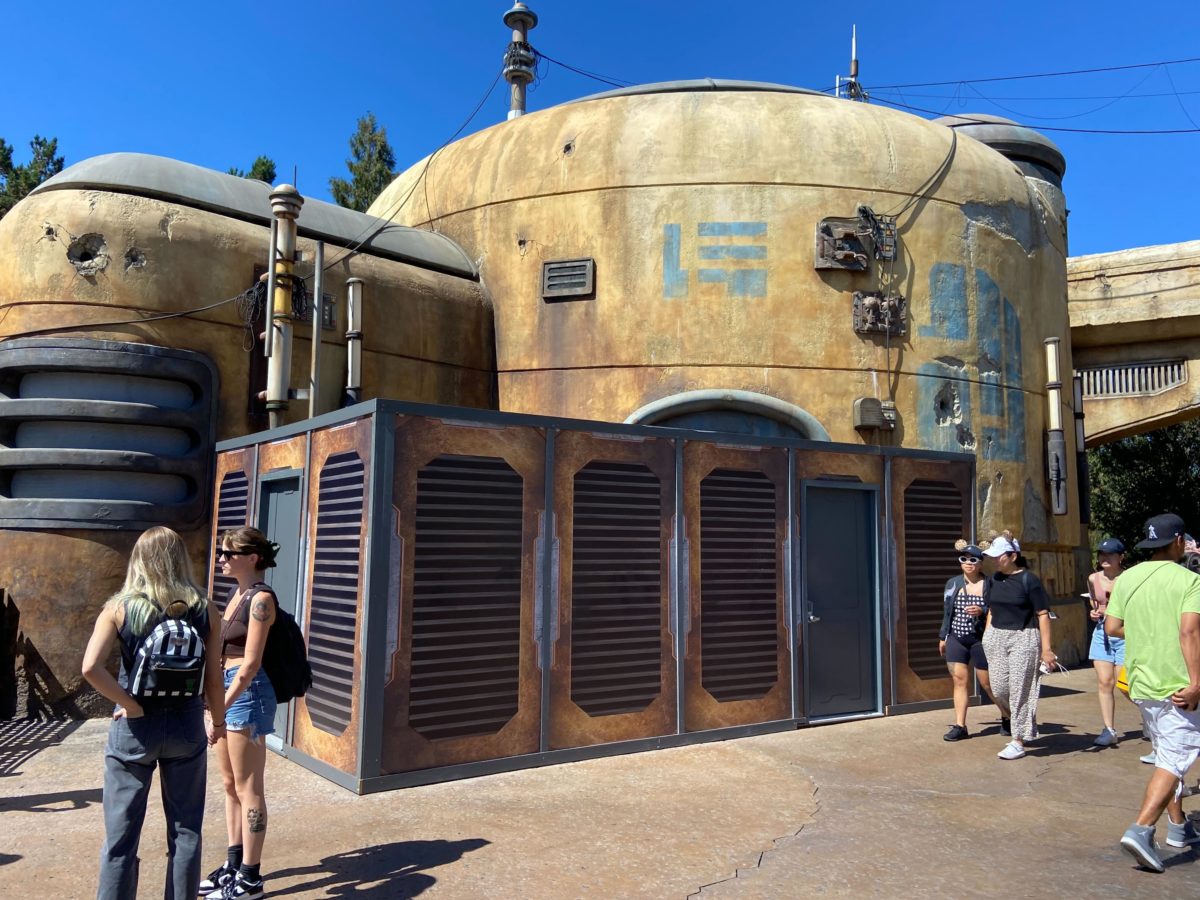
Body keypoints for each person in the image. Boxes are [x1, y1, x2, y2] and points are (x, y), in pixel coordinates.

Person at [82, 526, 225, 899]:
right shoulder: (205, 609)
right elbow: (213, 678)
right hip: (186, 726)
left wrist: (130, 704)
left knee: (121, 837)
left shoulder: (120, 608)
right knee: (186, 832)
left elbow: (90, 668)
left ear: (139, 560)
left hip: (135, 730)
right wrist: (219, 722)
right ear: (180, 559)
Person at [1107, 513, 1200, 873]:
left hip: (1142, 683)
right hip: (1177, 684)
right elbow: (1190, 633)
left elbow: (1113, 627)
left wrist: (1147, 629)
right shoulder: (1189, 580)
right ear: (1177, 541)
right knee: (1175, 758)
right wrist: (1196, 683)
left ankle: (1178, 826)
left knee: (1166, 755)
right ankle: (1141, 830)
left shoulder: (1127, 578)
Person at [200, 527, 279, 900]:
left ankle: (250, 877)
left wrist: (220, 707)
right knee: (230, 784)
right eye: (221, 553)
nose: (221, 559)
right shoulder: (237, 595)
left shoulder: (261, 599)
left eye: (228, 554)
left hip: (247, 694)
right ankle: (233, 864)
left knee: (249, 788)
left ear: (252, 558)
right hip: (227, 691)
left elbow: (250, 664)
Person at [980, 531, 1057, 760]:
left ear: (1013, 556)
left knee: (1019, 690)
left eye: (999, 556)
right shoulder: (994, 579)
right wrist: (987, 636)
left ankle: (1018, 740)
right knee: (999, 688)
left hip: (1024, 637)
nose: (995, 560)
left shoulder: (1029, 580)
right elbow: (991, 609)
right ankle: (1021, 723)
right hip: (996, 636)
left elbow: (1043, 614)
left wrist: (1046, 649)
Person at [939, 541, 993, 741]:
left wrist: (982, 610)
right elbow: (947, 612)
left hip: (981, 639)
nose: (968, 563)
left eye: (973, 560)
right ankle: (960, 726)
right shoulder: (953, 583)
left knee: (987, 683)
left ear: (981, 563)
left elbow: (998, 609)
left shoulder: (990, 584)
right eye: (964, 559)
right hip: (956, 638)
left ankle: (1009, 717)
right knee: (959, 680)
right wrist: (943, 636)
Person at [1088, 538, 1129, 747]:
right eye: (1102, 554)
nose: (1104, 558)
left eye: (1110, 554)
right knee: (1104, 682)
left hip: (1124, 632)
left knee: (1126, 685)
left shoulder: (1129, 578)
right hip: (1101, 633)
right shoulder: (1093, 578)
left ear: (1121, 557)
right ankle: (1109, 729)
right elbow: (1094, 603)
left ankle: (1150, 719)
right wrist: (1094, 613)